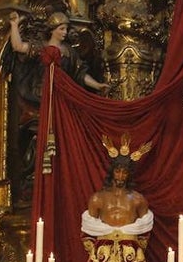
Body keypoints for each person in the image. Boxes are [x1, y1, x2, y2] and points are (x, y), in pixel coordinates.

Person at [6, 10, 109, 204]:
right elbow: (18, 46)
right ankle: (31, 178)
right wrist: (14, 25)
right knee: (34, 138)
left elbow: (80, 75)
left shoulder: (69, 52)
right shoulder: (40, 48)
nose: (65, 32)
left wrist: (98, 85)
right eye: (62, 28)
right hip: (38, 101)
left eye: (66, 28)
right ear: (52, 30)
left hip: (64, 102)